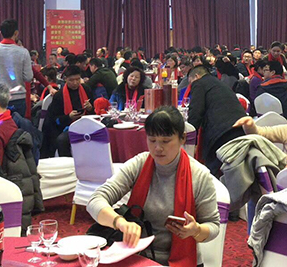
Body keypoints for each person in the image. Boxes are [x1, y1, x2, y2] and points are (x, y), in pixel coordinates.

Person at [87, 106, 220, 266]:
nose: (158, 148)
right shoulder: (140, 164)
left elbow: (213, 226)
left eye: (165, 141)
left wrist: (196, 230)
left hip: (180, 261)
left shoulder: (199, 175)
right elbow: (95, 200)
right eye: (152, 140)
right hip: (137, 255)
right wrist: (120, 222)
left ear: (182, 138)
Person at [187, 65, 246, 176]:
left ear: (196, 76)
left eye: (190, 82)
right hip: (241, 128)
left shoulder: (199, 83)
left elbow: (196, 112)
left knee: (216, 174)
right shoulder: (218, 83)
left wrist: (189, 138)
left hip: (220, 133)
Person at [0, 19, 33, 118]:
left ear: (1, 33)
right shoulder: (23, 52)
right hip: (18, 98)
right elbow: (28, 77)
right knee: (17, 126)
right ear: (16, 33)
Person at [41, 65, 94, 158]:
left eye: (78, 79)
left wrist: (90, 108)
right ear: (65, 79)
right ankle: (68, 162)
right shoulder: (59, 95)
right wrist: (68, 117)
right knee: (62, 140)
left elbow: (95, 112)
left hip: (86, 124)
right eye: (71, 80)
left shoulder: (86, 89)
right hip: (67, 127)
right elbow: (54, 119)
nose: (75, 83)